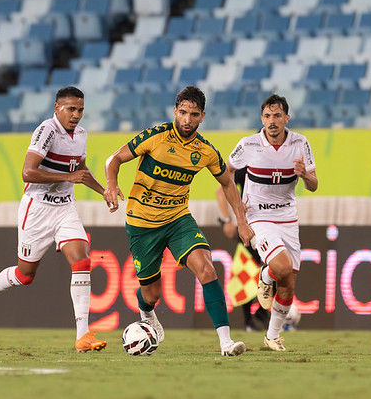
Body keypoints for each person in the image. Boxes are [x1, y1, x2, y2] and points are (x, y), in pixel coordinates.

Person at [103, 86, 253, 356]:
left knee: (207, 269)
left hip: (177, 220)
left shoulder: (205, 150)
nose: (187, 119)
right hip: (142, 223)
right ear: (175, 111)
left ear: (202, 116)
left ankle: (226, 342)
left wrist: (240, 221)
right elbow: (114, 159)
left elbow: (228, 183)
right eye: (182, 112)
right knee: (151, 295)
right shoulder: (156, 137)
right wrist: (111, 186)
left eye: (193, 114)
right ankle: (146, 312)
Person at [0, 86, 108, 353]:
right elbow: (28, 172)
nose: (76, 115)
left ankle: (83, 334)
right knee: (24, 275)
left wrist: (104, 191)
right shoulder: (46, 130)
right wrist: (66, 177)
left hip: (65, 208)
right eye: (71, 109)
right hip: (37, 210)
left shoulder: (82, 135)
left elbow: (81, 170)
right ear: (57, 108)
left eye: (80, 110)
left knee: (82, 259)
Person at [226, 94, 318, 352]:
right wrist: (238, 213)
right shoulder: (248, 145)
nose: (272, 121)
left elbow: (313, 185)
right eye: (267, 116)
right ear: (262, 119)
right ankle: (266, 274)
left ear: (286, 118)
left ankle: (272, 336)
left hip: (288, 218)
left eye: (277, 116)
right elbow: (226, 172)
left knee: (288, 285)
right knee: (281, 266)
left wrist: (304, 175)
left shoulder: (301, 143)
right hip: (258, 216)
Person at [215, 165, 270, 332]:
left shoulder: (279, 164)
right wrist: (227, 220)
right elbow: (221, 190)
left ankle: (261, 312)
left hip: (272, 225)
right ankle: (249, 321)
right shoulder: (247, 168)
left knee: (276, 267)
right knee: (248, 270)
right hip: (250, 226)